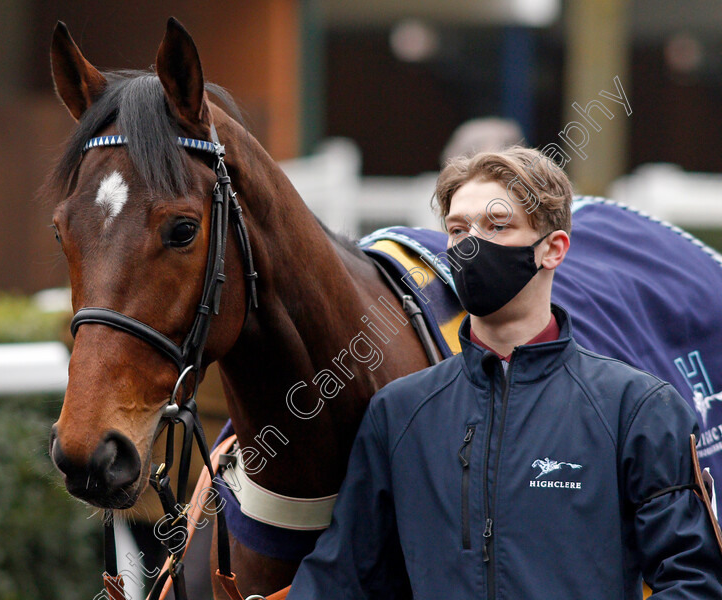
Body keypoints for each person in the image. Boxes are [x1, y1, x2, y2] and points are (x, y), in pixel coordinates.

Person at [286, 147, 722, 599]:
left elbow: (693, 581)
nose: (471, 244)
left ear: (552, 249)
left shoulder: (637, 408)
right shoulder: (397, 414)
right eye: (458, 229)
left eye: (497, 225)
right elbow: (342, 580)